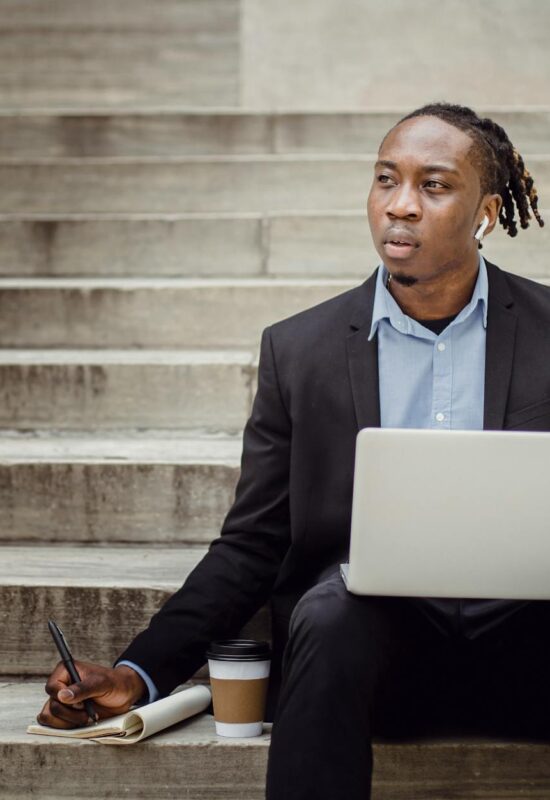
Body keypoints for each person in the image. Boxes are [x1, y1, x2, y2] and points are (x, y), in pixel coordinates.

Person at [38, 103, 549, 799]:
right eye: (385, 179)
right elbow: (252, 544)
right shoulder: (300, 351)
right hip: (371, 663)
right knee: (331, 606)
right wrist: (140, 672)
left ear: (486, 213)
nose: (400, 206)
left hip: (529, 651)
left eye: (433, 186)